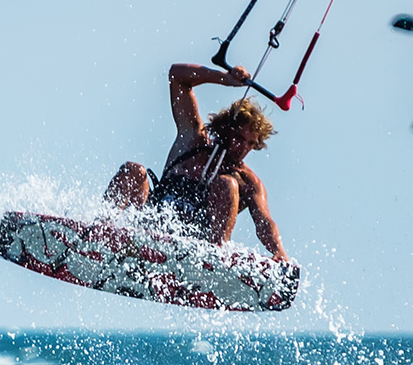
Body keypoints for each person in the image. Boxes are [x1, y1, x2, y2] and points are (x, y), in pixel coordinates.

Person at [104, 64, 286, 259]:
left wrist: (279, 253)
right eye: (239, 139)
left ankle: (216, 257)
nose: (243, 148)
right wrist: (225, 78)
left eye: (250, 144)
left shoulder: (247, 180)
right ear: (226, 128)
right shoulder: (193, 139)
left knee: (227, 184)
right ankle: (100, 232)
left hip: (195, 249)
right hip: (150, 226)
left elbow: (264, 222)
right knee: (133, 170)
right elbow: (177, 76)